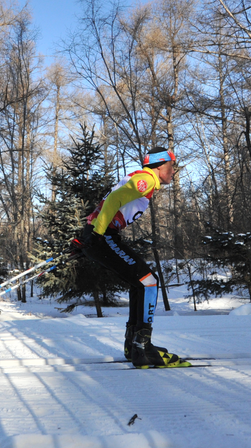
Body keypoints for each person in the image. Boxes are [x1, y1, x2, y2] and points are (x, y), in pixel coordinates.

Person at [77, 147, 188, 369]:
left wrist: (89, 235)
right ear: (159, 166)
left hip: (100, 235)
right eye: (171, 166)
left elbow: (107, 203)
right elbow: (113, 200)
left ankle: (134, 344)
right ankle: (141, 347)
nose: (174, 171)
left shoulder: (142, 179)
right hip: (103, 236)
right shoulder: (145, 180)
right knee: (149, 282)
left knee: (141, 283)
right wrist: (97, 235)